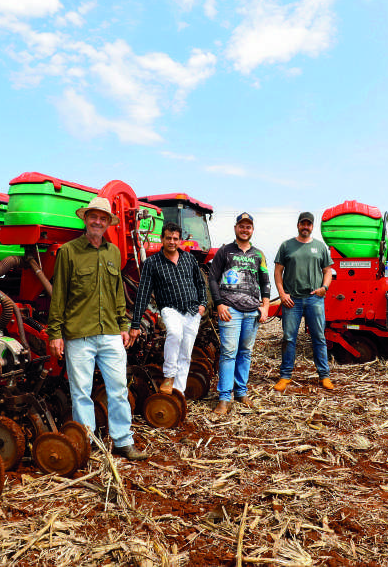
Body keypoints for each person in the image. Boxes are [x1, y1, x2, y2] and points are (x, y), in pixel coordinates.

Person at [47, 196, 148, 460]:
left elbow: (117, 293)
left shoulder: (113, 252)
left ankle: (123, 442)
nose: (98, 222)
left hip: (111, 333)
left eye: (103, 219)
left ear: (107, 223)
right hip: (79, 334)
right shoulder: (68, 252)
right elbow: (59, 295)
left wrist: (123, 325)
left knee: (118, 388)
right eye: (94, 217)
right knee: (81, 393)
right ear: (85, 219)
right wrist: (55, 333)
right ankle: (89, 444)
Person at [129, 222, 208, 395]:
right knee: (174, 333)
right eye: (168, 238)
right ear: (162, 239)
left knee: (186, 352)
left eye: (175, 238)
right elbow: (143, 293)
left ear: (180, 240)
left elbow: (200, 283)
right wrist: (135, 324)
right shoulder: (152, 263)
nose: (172, 241)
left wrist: (203, 304)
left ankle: (178, 392)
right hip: (170, 308)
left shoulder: (189, 259)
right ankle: (169, 375)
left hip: (193, 310)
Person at [209, 213, 270, 414]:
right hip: (230, 310)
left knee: (245, 353)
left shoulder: (258, 255)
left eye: (248, 227)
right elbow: (212, 279)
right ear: (236, 228)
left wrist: (265, 307)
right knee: (228, 353)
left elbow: (265, 283)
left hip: (252, 311)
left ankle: (241, 393)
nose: (245, 230)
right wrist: (219, 304)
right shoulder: (224, 252)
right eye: (242, 226)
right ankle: (224, 398)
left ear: (252, 230)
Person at [273, 212, 334, 391]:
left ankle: (324, 376)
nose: (305, 227)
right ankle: (285, 376)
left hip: (315, 298)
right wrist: (282, 294)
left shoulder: (320, 247)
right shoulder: (287, 246)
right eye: (302, 224)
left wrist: (325, 288)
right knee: (288, 338)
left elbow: (328, 271)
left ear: (312, 226)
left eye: (308, 224)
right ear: (298, 225)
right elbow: (278, 272)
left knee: (319, 337)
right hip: (292, 300)